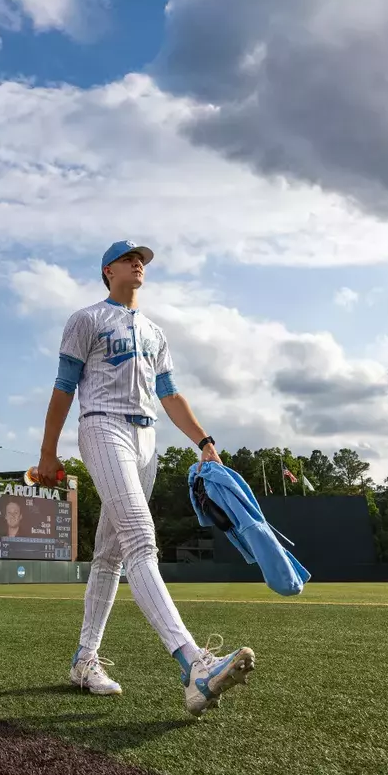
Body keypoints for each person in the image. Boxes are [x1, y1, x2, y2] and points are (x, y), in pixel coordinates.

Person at [34, 240, 256, 712]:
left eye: (144, 260)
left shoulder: (156, 332)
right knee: (140, 539)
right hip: (102, 424)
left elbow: (171, 394)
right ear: (106, 269)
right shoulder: (86, 318)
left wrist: (204, 442)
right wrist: (48, 452)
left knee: (110, 555)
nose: (140, 263)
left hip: (147, 437)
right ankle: (194, 664)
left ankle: (84, 660)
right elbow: (63, 387)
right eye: (130, 258)